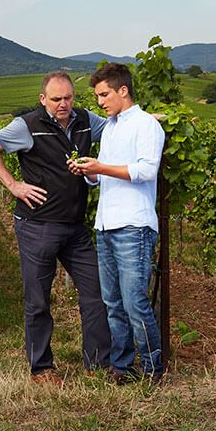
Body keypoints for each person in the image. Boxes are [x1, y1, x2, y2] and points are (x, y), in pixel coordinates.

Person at [0, 71, 112, 385]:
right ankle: (42, 368)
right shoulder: (27, 126)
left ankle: (97, 363)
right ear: (43, 99)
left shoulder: (85, 120)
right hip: (37, 226)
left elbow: (121, 124)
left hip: (75, 227)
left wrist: (149, 118)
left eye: (68, 98)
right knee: (38, 298)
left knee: (96, 294)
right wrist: (14, 186)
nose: (63, 104)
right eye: (56, 99)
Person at [68, 63, 166, 384]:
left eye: (104, 94)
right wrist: (89, 171)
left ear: (123, 90)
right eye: (97, 96)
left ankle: (153, 372)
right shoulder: (109, 128)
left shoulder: (146, 126)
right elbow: (104, 176)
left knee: (135, 303)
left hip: (134, 227)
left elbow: (145, 171)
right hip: (106, 226)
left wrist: (102, 167)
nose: (100, 102)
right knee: (112, 304)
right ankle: (122, 368)